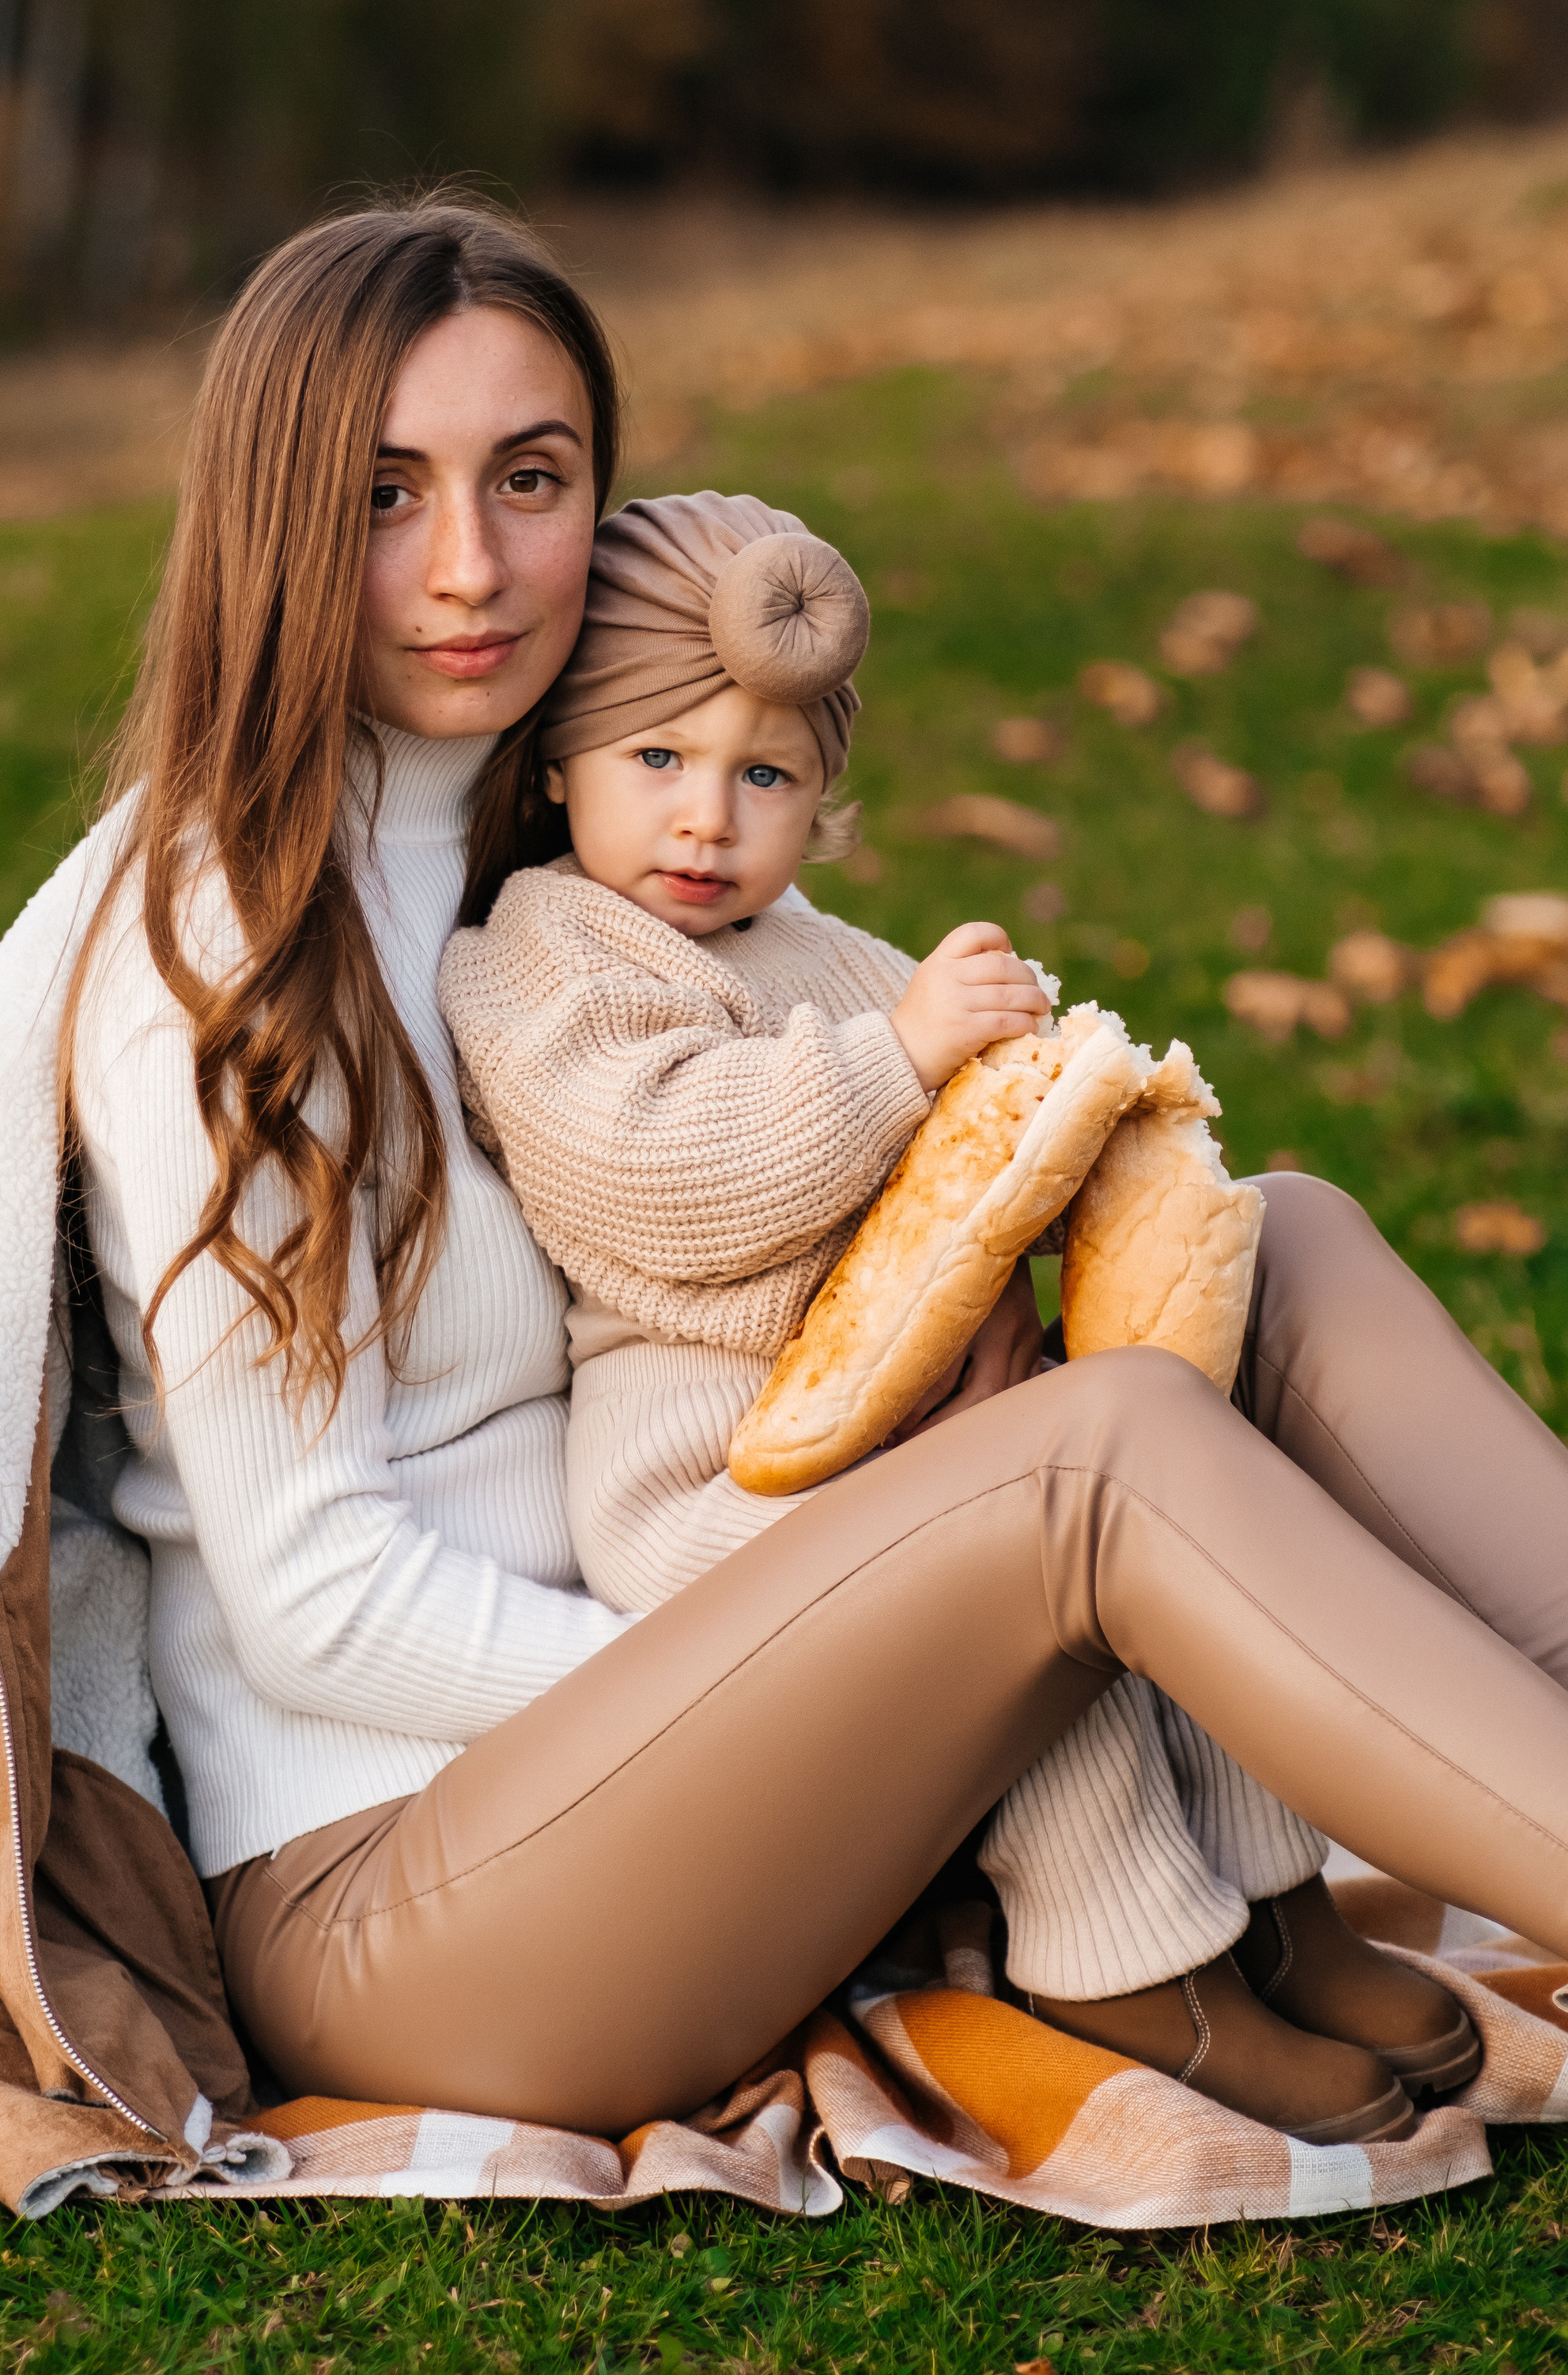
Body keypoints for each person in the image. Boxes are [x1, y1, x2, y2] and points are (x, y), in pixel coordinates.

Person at [0, 194, 1568, 2215]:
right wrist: (821, 1635)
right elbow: (318, 1610)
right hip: (408, 1894)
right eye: (385, 493)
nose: (469, 568)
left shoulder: (545, 826)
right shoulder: (221, 948)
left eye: (529, 479)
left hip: (660, 1706)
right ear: (267, 521)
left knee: (1281, 1237)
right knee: (1090, 1463)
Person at [438, 487, 1472, 2142]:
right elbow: (659, 1176)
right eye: (655, 760)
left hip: (904, 1409)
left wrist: (1043, 1100)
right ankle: (1118, 1946)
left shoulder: (825, 954)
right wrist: (900, 1060)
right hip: (713, 1478)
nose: (704, 819)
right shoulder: (541, 956)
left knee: (1177, 1535)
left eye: (762, 777)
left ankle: (1269, 1903)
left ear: (819, 801)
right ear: (557, 760)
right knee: (1022, 1611)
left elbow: (956, 1148)